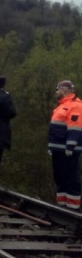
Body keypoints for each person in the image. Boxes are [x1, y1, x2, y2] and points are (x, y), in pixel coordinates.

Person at [48, 80, 82, 210]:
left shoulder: (76, 106)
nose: (56, 92)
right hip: (57, 148)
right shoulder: (61, 106)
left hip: (67, 150)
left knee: (70, 177)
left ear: (64, 89)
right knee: (59, 176)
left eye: (57, 89)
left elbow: (75, 128)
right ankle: (62, 206)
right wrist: (51, 146)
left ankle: (73, 208)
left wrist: (70, 146)